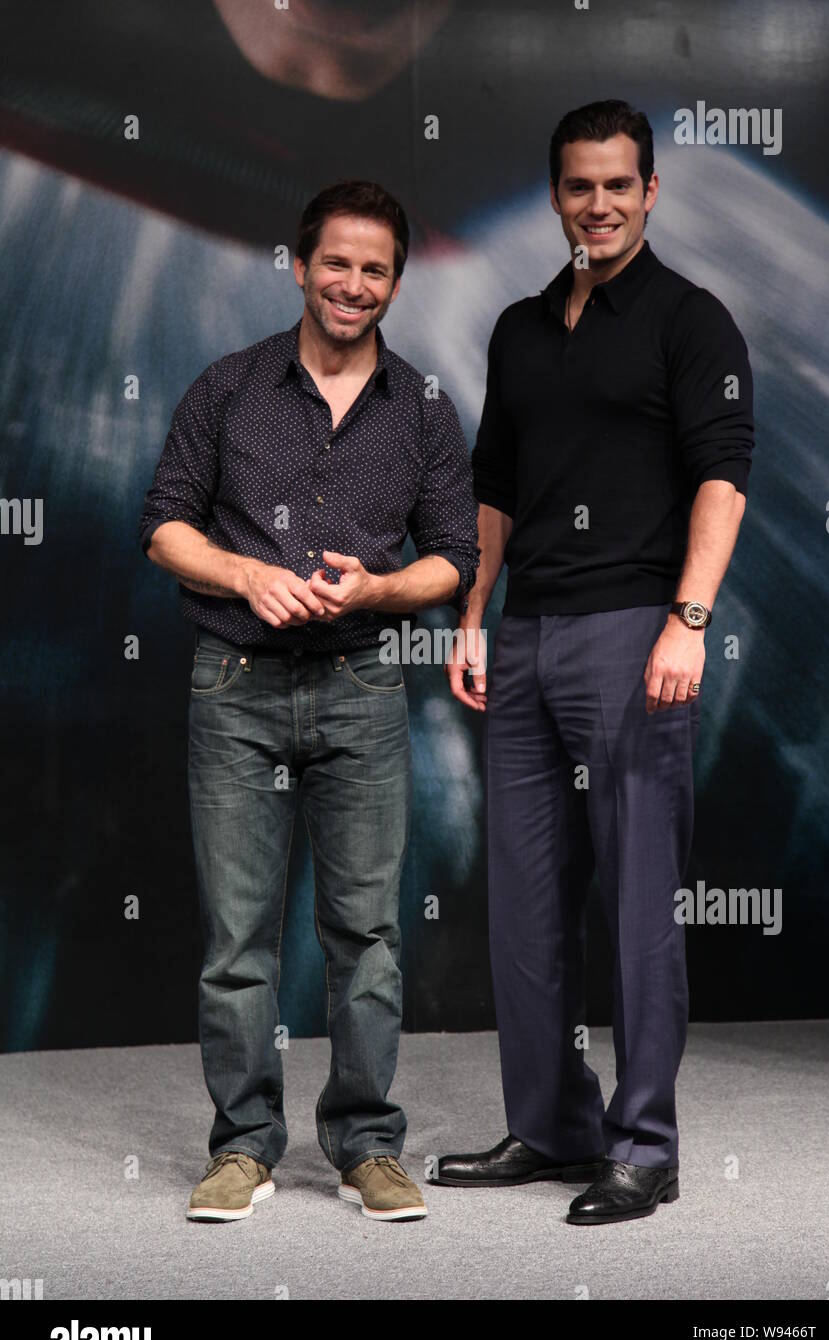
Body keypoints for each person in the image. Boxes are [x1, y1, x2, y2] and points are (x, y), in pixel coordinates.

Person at [435, 100, 754, 1224]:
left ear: (650, 191)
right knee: (522, 907)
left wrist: (688, 617)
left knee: (634, 906)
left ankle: (642, 1144)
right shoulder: (519, 328)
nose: (598, 204)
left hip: (633, 632)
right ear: (556, 193)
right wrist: (473, 610)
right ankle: (550, 1125)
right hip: (522, 635)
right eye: (579, 186)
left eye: (619, 185)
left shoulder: (690, 319)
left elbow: (722, 477)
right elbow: (491, 484)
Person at [138, 179, 480, 1223]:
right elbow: (164, 529)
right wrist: (243, 574)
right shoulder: (228, 387)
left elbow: (455, 559)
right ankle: (242, 1146)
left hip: (360, 684)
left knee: (364, 934)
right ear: (298, 265)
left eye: (375, 269)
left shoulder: (421, 408)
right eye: (335, 262)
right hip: (235, 684)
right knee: (237, 939)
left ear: (394, 282)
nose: (353, 284)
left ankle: (366, 1145)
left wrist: (379, 589)